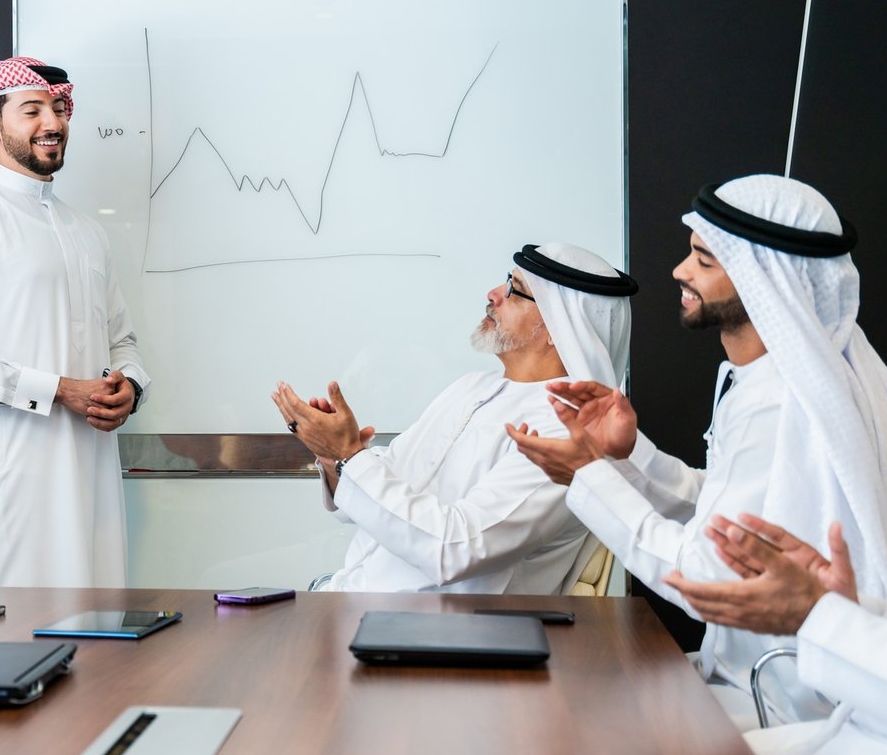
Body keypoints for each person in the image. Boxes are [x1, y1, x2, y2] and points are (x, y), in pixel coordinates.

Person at [510, 174, 887, 728]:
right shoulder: (766, 381)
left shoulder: (778, 401)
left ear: (765, 280)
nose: (679, 271)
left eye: (704, 260)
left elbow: (704, 576)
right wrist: (629, 455)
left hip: (775, 707)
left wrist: (590, 476)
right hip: (738, 680)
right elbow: (726, 508)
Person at [659, 167, 887, 755]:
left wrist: (822, 618)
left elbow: (704, 570)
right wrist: (848, 609)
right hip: (869, 733)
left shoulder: (787, 397)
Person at [271, 244, 636, 593]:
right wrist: (332, 457)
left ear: (560, 327)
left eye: (515, 290)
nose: (493, 294)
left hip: (436, 629)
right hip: (349, 598)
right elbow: (376, 493)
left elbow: (456, 549)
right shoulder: (470, 388)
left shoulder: (569, 431)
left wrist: (349, 456)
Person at [0, 57, 149, 588]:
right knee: (12, 631)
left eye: (59, 109)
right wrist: (60, 390)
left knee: (98, 625)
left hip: (91, 484)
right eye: (32, 109)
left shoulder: (87, 232)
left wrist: (131, 386)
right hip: (7, 490)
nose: (53, 122)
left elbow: (122, 340)